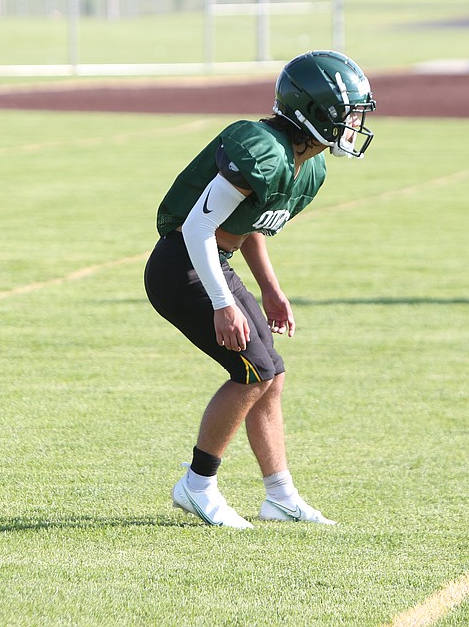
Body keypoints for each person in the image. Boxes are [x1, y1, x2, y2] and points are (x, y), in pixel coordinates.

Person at [144, 50, 377, 529]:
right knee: (252, 372)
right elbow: (196, 230)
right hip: (180, 265)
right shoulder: (261, 147)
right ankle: (197, 484)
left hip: (212, 262)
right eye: (347, 113)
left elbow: (247, 226)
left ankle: (279, 495)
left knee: (273, 374)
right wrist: (222, 304)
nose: (354, 123)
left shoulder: (308, 167)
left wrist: (271, 289)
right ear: (312, 112)